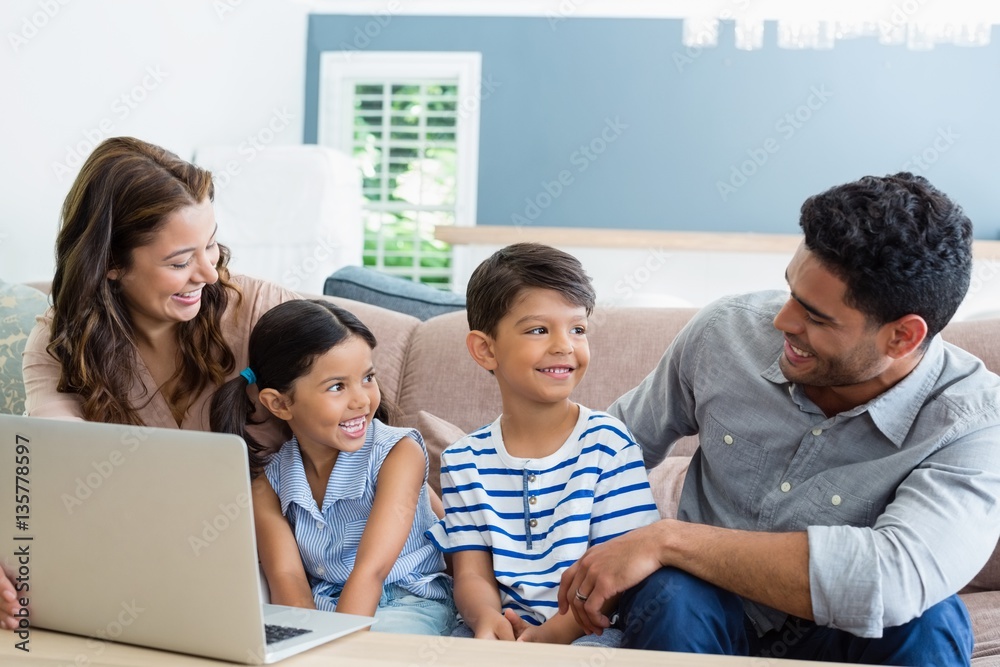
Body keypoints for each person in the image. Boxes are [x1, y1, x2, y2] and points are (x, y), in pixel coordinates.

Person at [558, 173, 1000, 665]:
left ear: (902, 338)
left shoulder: (975, 420)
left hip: (846, 635)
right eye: (790, 290)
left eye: (816, 316)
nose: (782, 321)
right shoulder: (725, 334)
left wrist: (669, 539)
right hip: (700, 609)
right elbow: (598, 458)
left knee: (929, 620)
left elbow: (892, 580)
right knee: (671, 595)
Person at [1, 136, 300, 630]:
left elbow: (364, 424)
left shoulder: (263, 313)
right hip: (137, 573)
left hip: (277, 571)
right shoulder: (62, 340)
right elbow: (51, 468)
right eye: (180, 261)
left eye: (211, 246)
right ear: (112, 265)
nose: (208, 272)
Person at [426, 243, 661, 645]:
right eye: (539, 329)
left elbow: (620, 577)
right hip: (498, 627)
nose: (564, 345)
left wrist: (550, 635)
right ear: (486, 349)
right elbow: (470, 574)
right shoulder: (463, 459)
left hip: (591, 629)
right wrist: (487, 618)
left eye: (577, 329)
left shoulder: (608, 443)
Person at [211, 299, 456, 635]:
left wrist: (336, 650)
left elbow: (372, 568)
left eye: (368, 377)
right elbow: (287, 577)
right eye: (337, 386)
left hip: (410, 602)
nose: (362, 400)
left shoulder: (400, 453)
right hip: (326, 607)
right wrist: (303, 641)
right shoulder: (268, 484)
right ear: (280, 404)